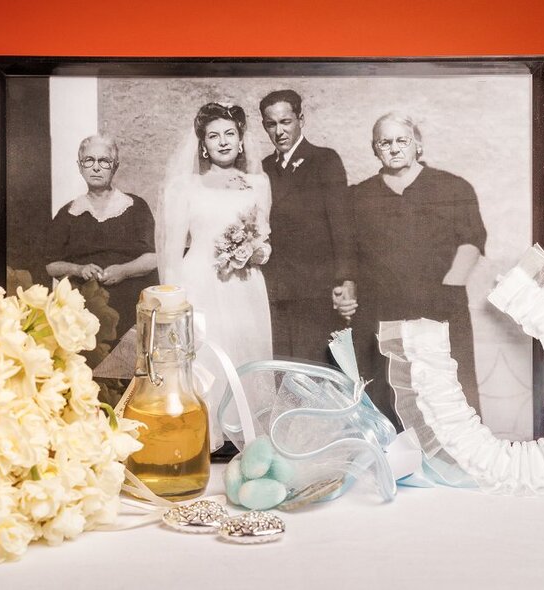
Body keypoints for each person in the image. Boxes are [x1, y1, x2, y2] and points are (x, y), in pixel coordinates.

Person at [342, 112, 487, 429]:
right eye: (385, 142)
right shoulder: (357, 196)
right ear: (375, 149)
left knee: (446, 394)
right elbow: (348, 254)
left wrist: (445, 294)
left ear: (417, 144)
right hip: (379, 313)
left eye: (401, 140)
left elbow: (471, 242)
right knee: (385, 396)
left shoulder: (453, 188)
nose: (394, 148)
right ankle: (391, 463)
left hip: (439, 309)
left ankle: (453, 463)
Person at [157, 102, 273, 450]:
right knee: (207, 358)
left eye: (229, 134)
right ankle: (205, 441)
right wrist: (172, 301)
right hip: (200, 282)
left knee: (245, 353)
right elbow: (172, 250)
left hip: (244, 284)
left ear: (240, 140)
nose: (222, 142)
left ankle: (244, 440)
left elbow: (265, 239)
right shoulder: (185, 186)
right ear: (202, 145)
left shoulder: (257, 183)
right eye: (213, 136)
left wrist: (255, 252)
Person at [258, 90, 356, 363]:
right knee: (282, 370)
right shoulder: (262, 168)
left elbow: (342, 224)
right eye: (271, 124)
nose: (279, 131)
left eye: (286, 121)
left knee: (316, 372)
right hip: (275, 289)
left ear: (301, 119)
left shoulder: (324, 160)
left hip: (316, 290)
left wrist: (345, 280)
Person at [45, 134, 159, 355]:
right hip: (85, 311)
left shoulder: (135, 207)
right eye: (89, 160)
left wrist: (124, 271)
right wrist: (78, 269)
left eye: (104, 161)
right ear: (80, 166)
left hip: (131, 305)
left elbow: (154, 257)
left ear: (114, 166)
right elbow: (51, 265)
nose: (96, 167)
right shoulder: (68, 213)